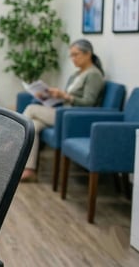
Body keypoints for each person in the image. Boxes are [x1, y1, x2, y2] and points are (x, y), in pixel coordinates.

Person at [20, 39, 105, 182]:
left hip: (75, 117)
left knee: (30, 109)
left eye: (76, 55)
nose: (73, 59)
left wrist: (65, 95)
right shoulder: (76, 75)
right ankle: (29, 169)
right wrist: (50, 95)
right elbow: (68, 98)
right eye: (71, 55)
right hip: (64, 113)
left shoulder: (94, 75)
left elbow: (89, 103)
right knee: (33, 126)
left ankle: (12, 141)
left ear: (88, 54)